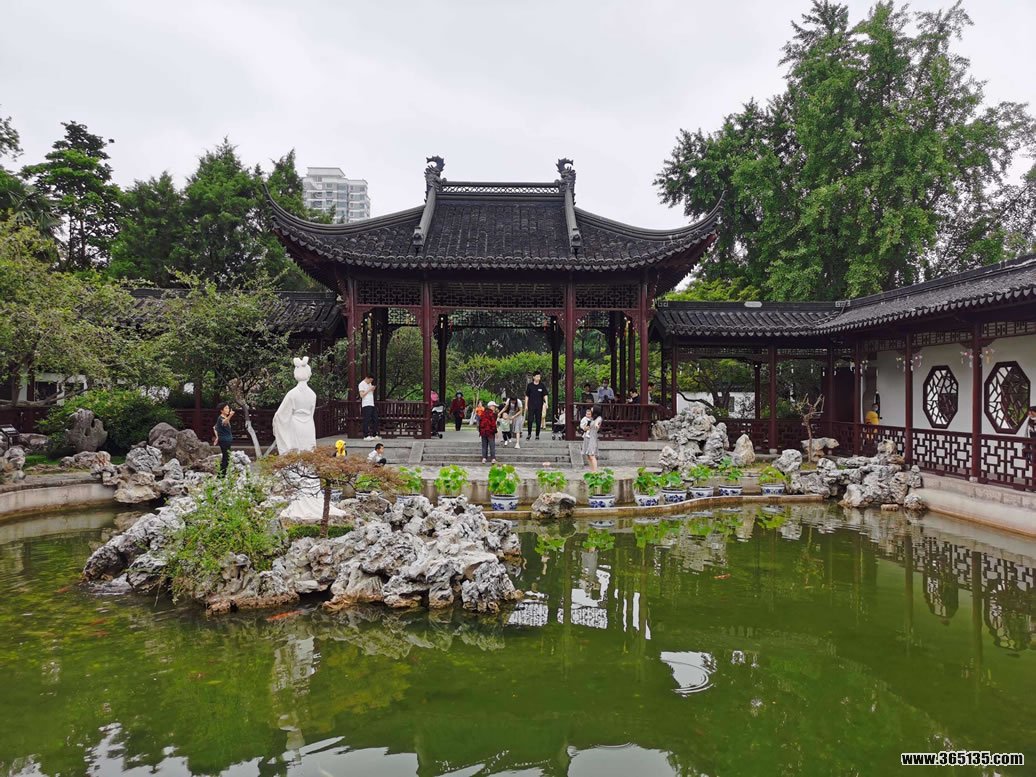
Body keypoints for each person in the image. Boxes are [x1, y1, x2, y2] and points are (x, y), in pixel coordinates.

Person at [524, 371, 549, 440]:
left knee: (538, 420)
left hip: (539, 406)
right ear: (533, 377)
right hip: (531, 405)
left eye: (539, 377)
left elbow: (545, 395)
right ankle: (529, 434)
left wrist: (546, 403)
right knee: (530, 420)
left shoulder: (542, 385)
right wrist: (526, 405)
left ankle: (537, 434)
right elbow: (527, 396)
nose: (538, 378)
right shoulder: (530, 385)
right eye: (537, 377)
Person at [212, 402, 234, 477]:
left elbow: (214, 428)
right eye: (226, 408)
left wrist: (217, 437)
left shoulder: (224, 417)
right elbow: (224, 423)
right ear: (221, 410)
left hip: (226, 440)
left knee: (226, 458)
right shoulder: (221, 418)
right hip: (224, 441)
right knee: (226, 458)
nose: (228, 409)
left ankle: (222, 475)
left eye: (228, 408)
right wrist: (230, 415)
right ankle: (221, 476)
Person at [581, 405, 603, 472]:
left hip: (592, 437)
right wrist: (585, 428)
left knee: (591, 455)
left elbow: (597, 423)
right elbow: (586, 428)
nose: (591, 409)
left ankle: (595, 472)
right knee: (588, 455)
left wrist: (596, 425)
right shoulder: (591, 418)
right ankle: (592, 470)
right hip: (587, 436)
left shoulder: (599, 418)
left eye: (592, 408)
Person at [358, 374, 379, 440]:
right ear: (367, 378)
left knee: (375, 419)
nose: (370, 382)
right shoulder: (361, 384)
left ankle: (374, 434)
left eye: (371, 381)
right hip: (366, 404)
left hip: (372, 403)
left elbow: (370, 393)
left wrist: (372, 389)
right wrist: (369, 389)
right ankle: (366, 435)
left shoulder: (369, 384)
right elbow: (361, 395)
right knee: (366, 419)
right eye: (370, 380)